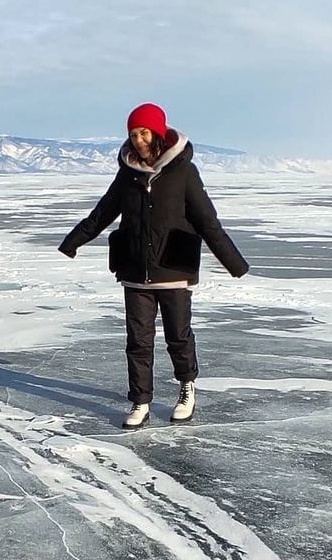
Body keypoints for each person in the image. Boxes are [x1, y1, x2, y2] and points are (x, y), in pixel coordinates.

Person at [59, 102, 249, 429]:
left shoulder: (183, 172)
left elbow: (208, 221)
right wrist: (72, 242)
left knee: (178, 336)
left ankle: (186, 388)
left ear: (158, 133)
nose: (138, 139)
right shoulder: (127, 174)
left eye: (144, 132)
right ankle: (140, 401)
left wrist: (234, 262)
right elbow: (102, 213)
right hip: (134, 270)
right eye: (133, 134)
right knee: (138, 341)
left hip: (174, 268)